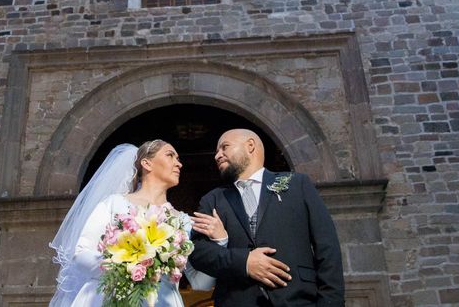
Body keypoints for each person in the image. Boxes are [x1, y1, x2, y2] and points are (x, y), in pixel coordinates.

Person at [50, 140, 224, 306]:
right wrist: (124, 266)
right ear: (147, 164)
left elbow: (201, 283)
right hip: (110, 297)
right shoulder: (114, 204)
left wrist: (221, 241)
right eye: (170, 156)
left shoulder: (183, 221)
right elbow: (81, 253)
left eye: (178, 159)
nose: (179, 164)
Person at [188, 129, 345, 306]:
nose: (217, 155)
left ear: (250, 146)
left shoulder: (297, 184)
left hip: (297, 299)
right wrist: (244, 262)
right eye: (217, 151)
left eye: (224, 147)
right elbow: (198, 253)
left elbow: (327, 245)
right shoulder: (213, 199)